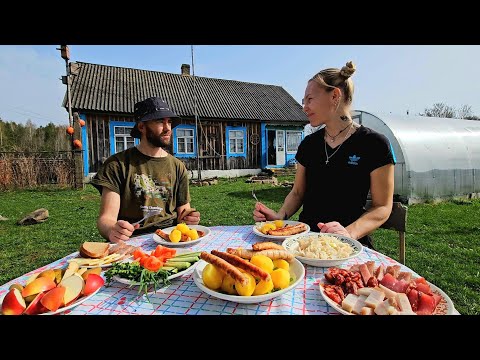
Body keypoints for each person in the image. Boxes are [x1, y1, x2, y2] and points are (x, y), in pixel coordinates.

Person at [253, 61, 395, 248]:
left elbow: (382, 207)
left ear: (335, 96)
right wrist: (280, 216)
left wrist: (348, 233)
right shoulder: (309, 144)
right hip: (305, 242)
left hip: (347, 246)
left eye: (310, 99)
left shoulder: (375, 144)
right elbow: (297, 192)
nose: (305, 107)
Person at [90, 96, 200, 243]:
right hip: (132, 239)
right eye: (160, 121)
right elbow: (106, 219)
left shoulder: (177, 166)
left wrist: (189, 217)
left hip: (169, 239)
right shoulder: (117, 164)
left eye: (169, 122)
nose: (168, 128)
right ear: (141, 127)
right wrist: (112, 230)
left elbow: (184, 210)